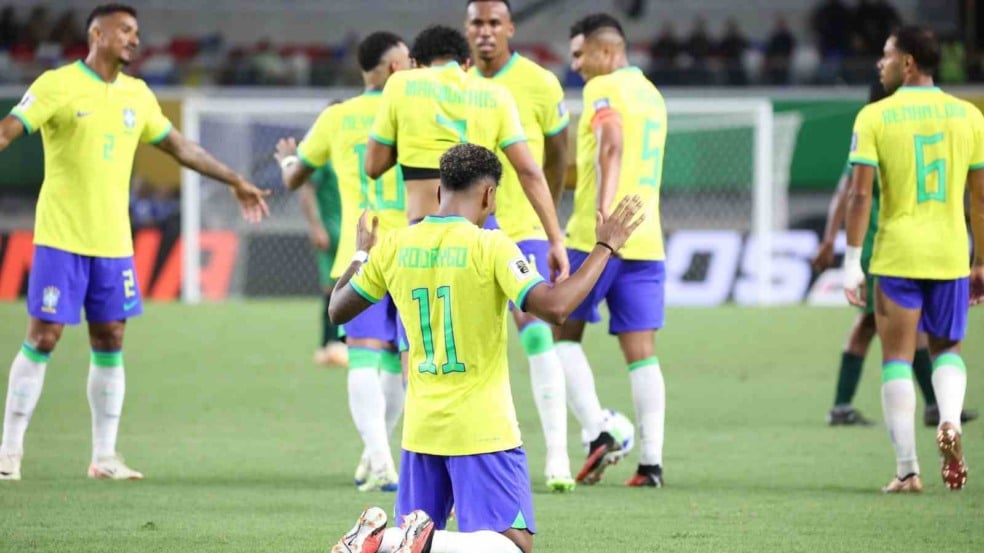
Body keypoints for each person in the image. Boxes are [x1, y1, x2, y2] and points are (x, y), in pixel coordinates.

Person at [326, 143, 644, 553]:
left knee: (423, 538)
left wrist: (359, 253)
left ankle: (385, 540)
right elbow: (557, 307)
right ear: (490, 195)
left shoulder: (395, 246)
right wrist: (605, 247)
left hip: (421, 429)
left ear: (440, 191)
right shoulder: (490, 246)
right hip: (482, 428)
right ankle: (388, 538)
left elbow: (337, 309)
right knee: (513, 545)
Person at [0, 3, 269, 481]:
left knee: (112, 338)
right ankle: (9, 453)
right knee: (44, 336)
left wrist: (234, 179)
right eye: (125, 30)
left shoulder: (139, 96)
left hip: (113, 242)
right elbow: (10, 129)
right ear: (96, 33)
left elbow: (180, 147)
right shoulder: (57, 84)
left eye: (137, 32)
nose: (134, 39)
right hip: (60, 237)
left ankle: (104, 457)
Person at [844, 26, 984, 493]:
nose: (879, 65)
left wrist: (849, 262)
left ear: (906, 64)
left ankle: (907, 469)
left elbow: (860, 196)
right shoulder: (969, 116)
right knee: (947, 350)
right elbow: (980, 200)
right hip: (949, 253)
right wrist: (980, 261)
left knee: (898, 359)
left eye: (885, 56)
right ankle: (948, 420)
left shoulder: (875, 117)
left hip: (897, 253)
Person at [276, 31, 411, 492]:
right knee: (398, 362)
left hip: (360, 253)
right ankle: (381, 458)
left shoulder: (336, 117)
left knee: (362, 360)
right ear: (395, 68)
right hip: (413, 252)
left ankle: (377, 458)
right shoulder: (414, 108)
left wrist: (286, 161)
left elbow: (295, 178)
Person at [814, 82, 979, 428]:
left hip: (895, 248)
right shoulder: (878, 132)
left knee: (894, 328)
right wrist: (832, 240)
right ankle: (850, 406)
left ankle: (930, 406)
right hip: (881, 248)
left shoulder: (887, 131)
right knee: (880, 327)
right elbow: (849, 194)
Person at [464, 0, 574, 491]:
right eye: (476, 23)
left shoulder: (540, 82)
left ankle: (557, 457)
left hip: (521, 227)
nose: (485, 31)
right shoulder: (455, 84)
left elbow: (555, 155)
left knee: (534, 331)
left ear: (509, 27)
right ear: (466, 31)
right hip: (465, 231)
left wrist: (551, 225)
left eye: (493, 23)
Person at [363, 25, 568, 283]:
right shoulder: (495, 94)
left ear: (415, 63)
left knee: (423, 318)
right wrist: (555, 240)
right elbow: (529, 171)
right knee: (525, 309)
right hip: (482, 231)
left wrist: (409, 141)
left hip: (425, 233)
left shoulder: (401, 84)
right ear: (467, 64)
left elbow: (373, 167)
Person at [562, 13, 669, 488]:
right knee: (642, 354)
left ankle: (598, 432)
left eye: (581, 54)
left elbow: (610, 144)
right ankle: (651, 465)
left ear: (607, 51)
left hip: (598, 237)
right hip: (646, 238)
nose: (577, 65)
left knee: (555, 335)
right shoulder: (652, 94)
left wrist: (603, 215)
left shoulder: (601, 89)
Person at [298, 163, 348, 368]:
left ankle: (334, 345)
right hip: (332, 230)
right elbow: (306, 189)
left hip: (352, 227)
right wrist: (316, 226)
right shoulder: (326, 154)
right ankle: (331, 343)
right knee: (334, 286)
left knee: (345, 286)